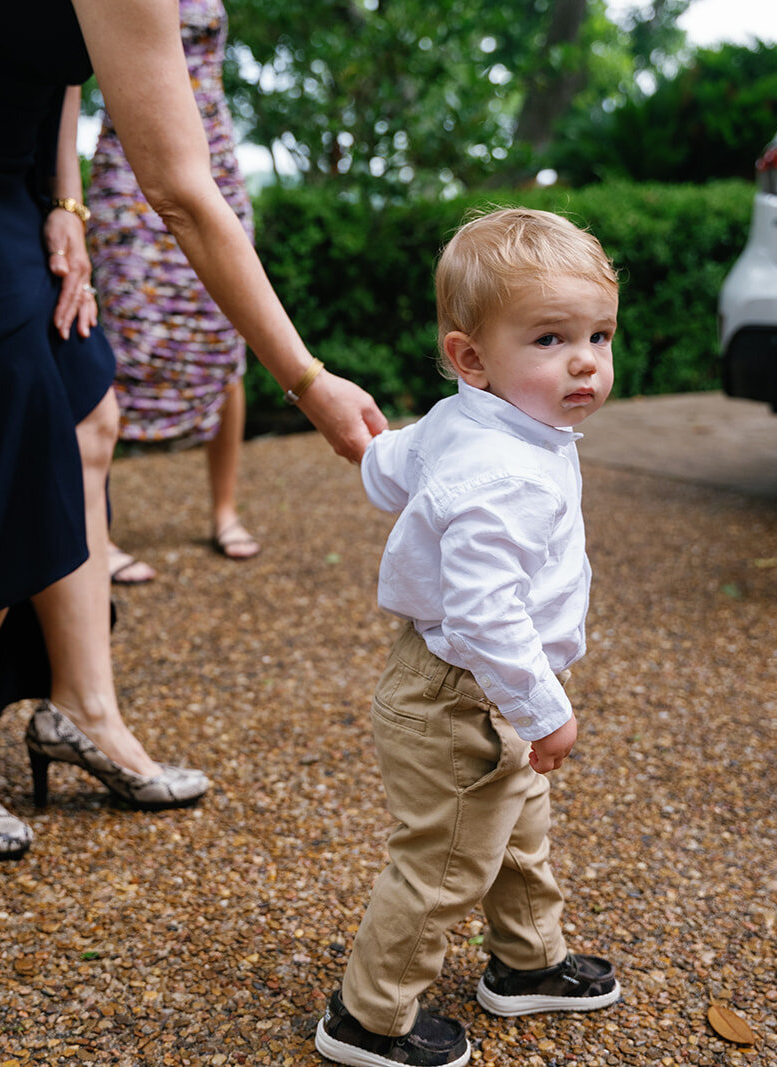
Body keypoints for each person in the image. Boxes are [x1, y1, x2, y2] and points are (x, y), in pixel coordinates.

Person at [0, 0, 386, 858]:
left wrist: (64, 198)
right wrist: (308, 379)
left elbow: (61, 61)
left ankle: (84, 711)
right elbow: (179, 190)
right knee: (7, 407)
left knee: (83, 400)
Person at [315, 208, 621, 1067]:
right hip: (468, 690)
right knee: (446, 857)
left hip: (476, 683)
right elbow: (487, 614)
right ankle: (368, 1018)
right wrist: (544, 708)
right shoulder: (502, 473)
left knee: (517, 824)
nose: (585, 360)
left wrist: (372, 454)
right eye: (552, 337)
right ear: (472, 358)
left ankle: (528, 961)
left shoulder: (479, 420)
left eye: (599, 334)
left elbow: (396, 461)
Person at [87, 0, 259, 584]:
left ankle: (224, 511)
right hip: (130, 161)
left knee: (225, 325)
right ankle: (95, 531)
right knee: (116, 334)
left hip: (212, 155)